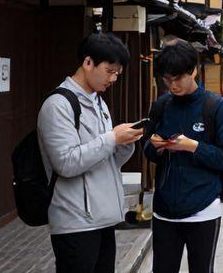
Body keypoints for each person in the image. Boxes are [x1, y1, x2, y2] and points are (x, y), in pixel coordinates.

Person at [37, 33, 143, 273]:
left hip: (102, 217)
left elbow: (106, 161)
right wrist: (111, 138)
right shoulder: (57, 105)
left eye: (117, 73)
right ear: (88, 63)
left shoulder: (98, 102)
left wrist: (125, 144)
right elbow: (66, 163)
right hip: (75, 221)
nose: (113, 79)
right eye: (110, 71)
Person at [143, 42, 223, 273]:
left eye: (178, 78)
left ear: (194, 71)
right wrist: (155, 146)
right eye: (167, 80)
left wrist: (192, 146)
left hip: (203, 209)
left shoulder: (219, 108)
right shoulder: (161, 106)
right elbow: (147, 150)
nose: (172, 85)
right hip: (164, 210)